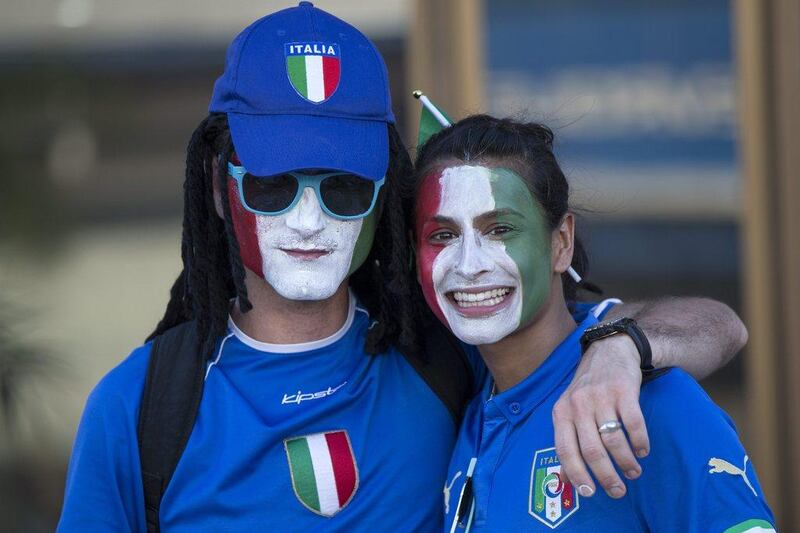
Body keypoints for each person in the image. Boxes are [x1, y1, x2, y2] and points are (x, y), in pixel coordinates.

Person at [58, 4, 747, 532]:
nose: (307, 217)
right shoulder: (140, 409)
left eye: (343, 187)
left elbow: (714, 324)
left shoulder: (447, 345)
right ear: (217, 186)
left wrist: (621, 351)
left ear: (384, 193)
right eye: (272, 184)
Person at [410, 114, 774, 532]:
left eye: (500, 229)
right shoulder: (471, 412)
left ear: (560, 243)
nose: (468, 265)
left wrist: (620, 346)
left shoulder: (646, 399)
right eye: (442, 235)